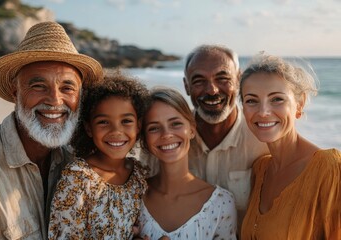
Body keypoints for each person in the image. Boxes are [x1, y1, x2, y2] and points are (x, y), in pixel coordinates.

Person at [0, 21, 103, 239]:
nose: (55, 100)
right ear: (14, 92)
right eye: (38, 86)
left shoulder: (78, 162)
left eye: (67, 88)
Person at [141, 44, 269, 228]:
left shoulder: (262, 139)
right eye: (199, 81)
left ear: (239, 79)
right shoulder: (164, 143)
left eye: (222, 78)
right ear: (186, 86)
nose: (212, 90)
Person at [239, 53, 341, 239]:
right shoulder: (260, 169)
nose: (263, 112)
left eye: (277, 99)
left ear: (299, 104)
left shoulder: (329, 168)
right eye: (251, 100)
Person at [48, 71, 150, 239]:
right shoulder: (78, 179)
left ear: (138, 126)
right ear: (88, 128)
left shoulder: (138, 175)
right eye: (103, 122)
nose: (116, 131)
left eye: (126, 121)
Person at [138, 87, 237, 239]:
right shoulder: (133, 196)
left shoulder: (221, 203)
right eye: (154, 128)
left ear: (191, 129)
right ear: (145, 139)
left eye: (175, 124)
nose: (166, 134)